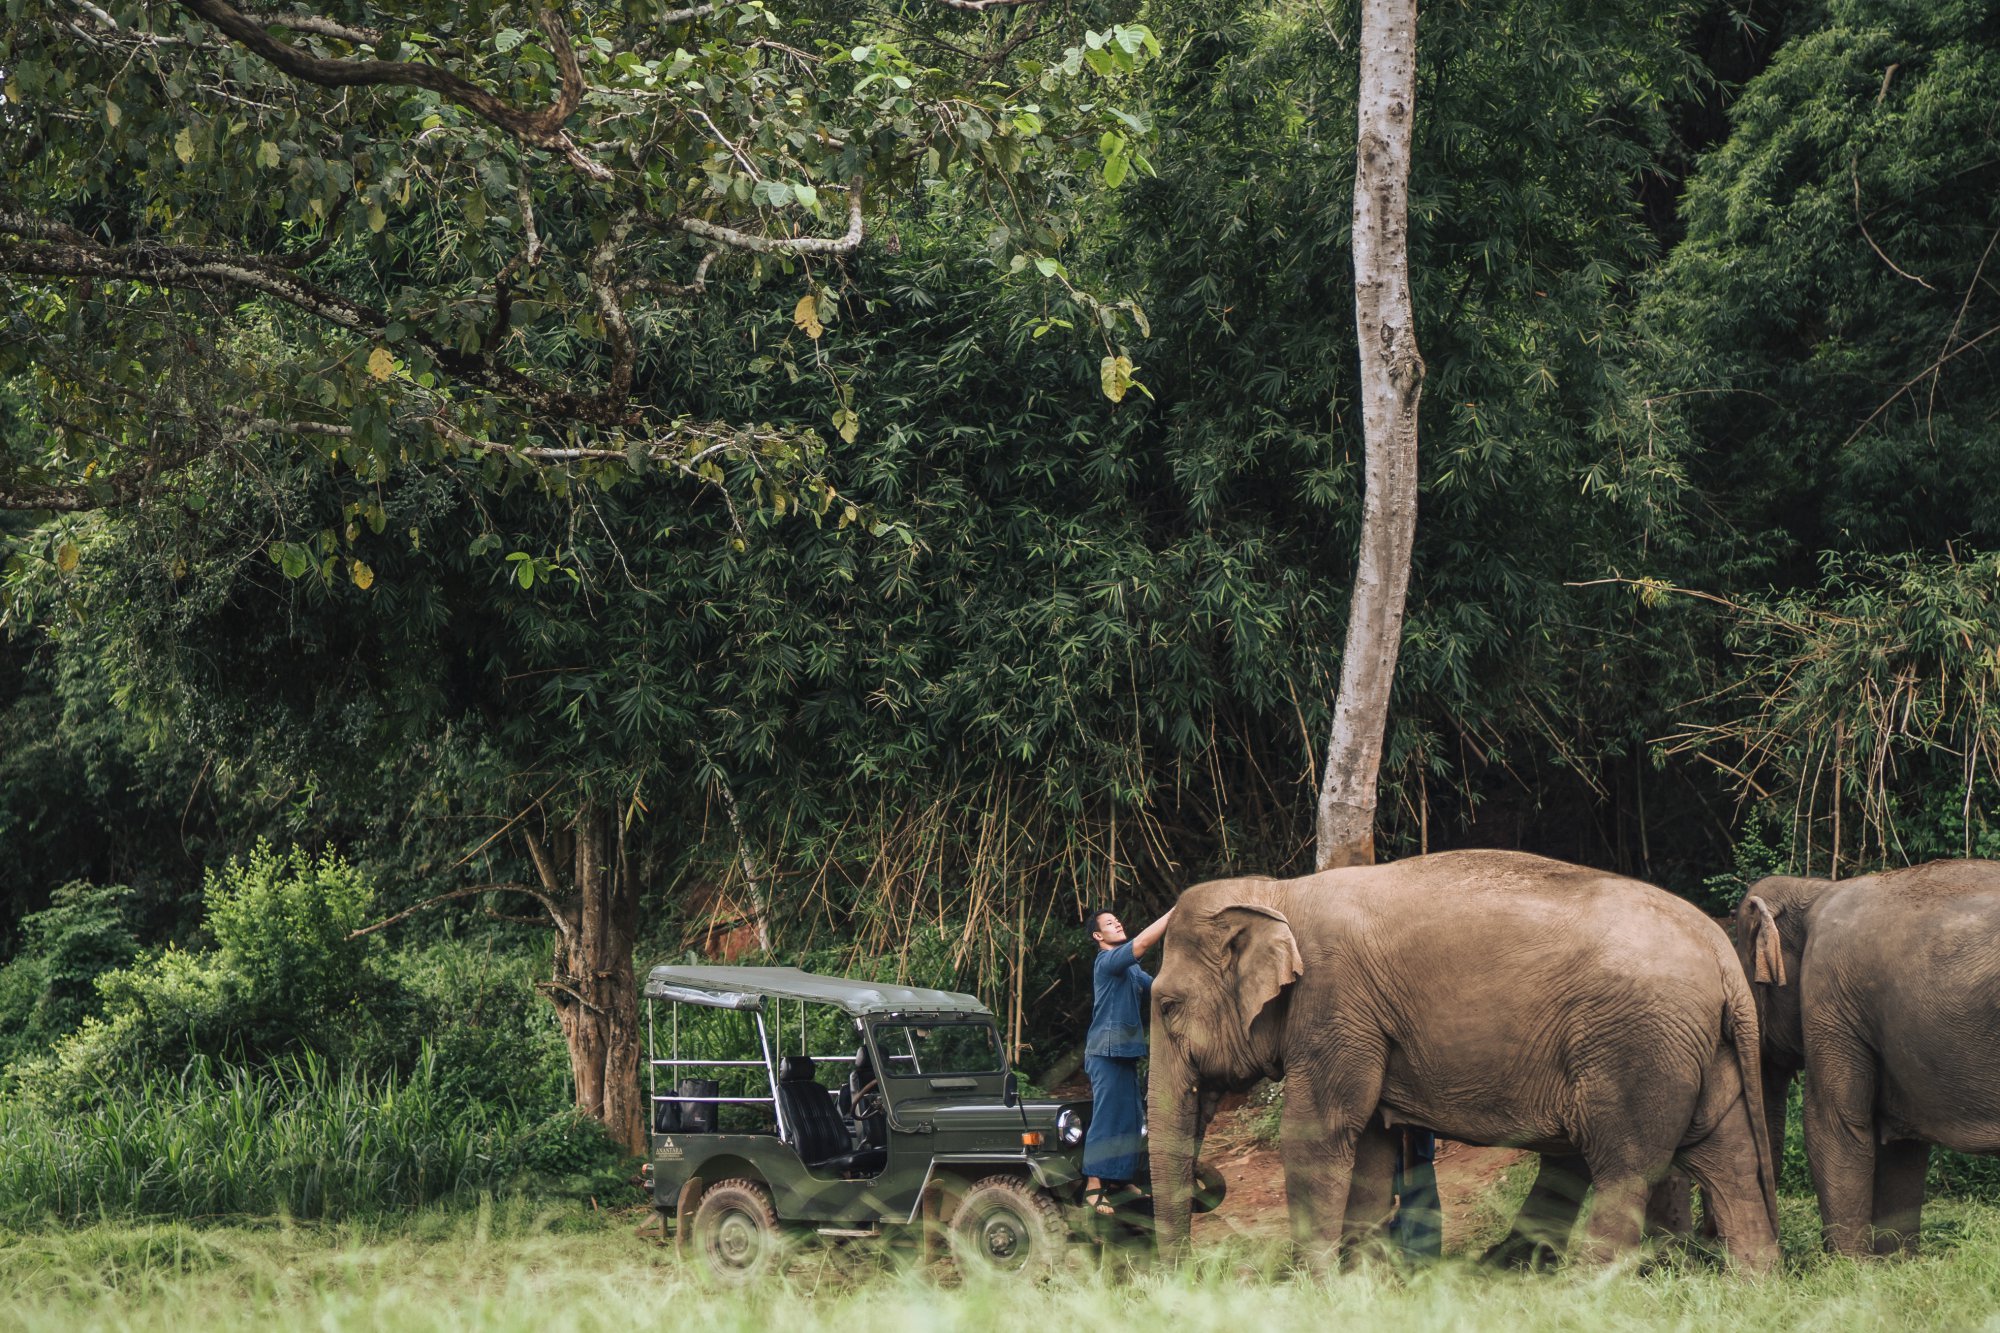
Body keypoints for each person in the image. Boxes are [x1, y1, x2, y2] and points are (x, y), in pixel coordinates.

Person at [1081, 904, 1174, 1213]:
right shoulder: (1107, 961)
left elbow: (1157, 989)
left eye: (1117, 919)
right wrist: (1175, 911)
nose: (1117, 923)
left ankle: (1120, 1180)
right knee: (1107, 1116)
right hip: (1104, 1052)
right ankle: (1093, 1184)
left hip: (1127, 1052)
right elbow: (1143, 943)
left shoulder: (1131, 969)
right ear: (1098, 935)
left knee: (1132, 1119)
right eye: (1110, 922)